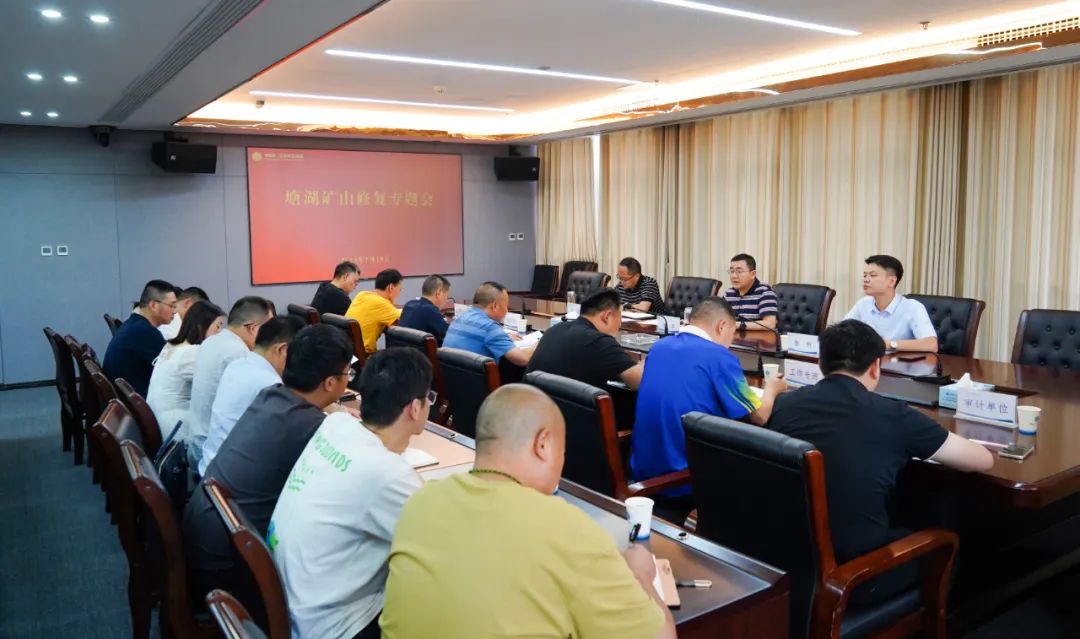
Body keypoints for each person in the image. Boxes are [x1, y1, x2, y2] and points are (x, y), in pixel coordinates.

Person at [380, 384, 676, 639]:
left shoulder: (420, 501)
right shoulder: (564, 527)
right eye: (562, 452)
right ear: (542, 444)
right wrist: (641, 576)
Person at [767, 319, 992, 602]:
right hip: (855, 577)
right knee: (943, 542)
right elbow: (982, 461)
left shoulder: (783, 405)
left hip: (786, 560)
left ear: (820, 363)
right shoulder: (894, 415)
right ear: (876, 366)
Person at [183, 324, 354, 622]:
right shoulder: (311, 428)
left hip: (204, 538)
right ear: (330, 383)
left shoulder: (270, 396)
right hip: (228, 568)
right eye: (347, 374)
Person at [269, 348, 432, 639]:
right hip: (333, 627)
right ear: (415, 408)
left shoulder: (336, 425)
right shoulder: (389, 475)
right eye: (428, 398)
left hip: (292, 603)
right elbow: (441, 548)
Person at [630, 297, 787, 515]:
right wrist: (772, 389)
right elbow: (759, 416)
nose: (730, 342)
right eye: (732, 334)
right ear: (721, 326)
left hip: (643, 471)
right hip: (684, 480)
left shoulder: (659, 347)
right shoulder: (718, 356)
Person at [198, 316, 305, 476]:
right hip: (229, 477)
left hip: (211, 467)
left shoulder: (238, 365)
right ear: (282, 350)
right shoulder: (269, 383)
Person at [188, 296, 275, 467]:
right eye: (269, 330)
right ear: (253, 328)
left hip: (197, 440)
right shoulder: (238, 353)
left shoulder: (212, 341)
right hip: (212, 451)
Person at [527, 288, 644, 390]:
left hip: (532, 405)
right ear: (607, 316)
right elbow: (640, 382)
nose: (620, 324)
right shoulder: (600, 342)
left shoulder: (554, 329)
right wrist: (644, 365)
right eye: (620, 317)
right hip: (566, 409)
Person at [146, 301, 226, 441]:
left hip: (162, 422)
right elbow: (222, 381)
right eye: (218, 326)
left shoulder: (172, 345)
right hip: (177, 430)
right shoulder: (191, 353)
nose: (220, 333)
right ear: (201, 326)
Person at [844, 255, 938, 352]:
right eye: (865, 275)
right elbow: (842, 332)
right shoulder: (863, 304)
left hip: (898, 360)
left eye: (872, 275)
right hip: (868, 359)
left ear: (891, 281)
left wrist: (887, 345)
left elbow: (931, 345)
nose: (866, 279)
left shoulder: (913, 307)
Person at [103, 279, 176, 396]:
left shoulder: (133, 325)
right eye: (172, 305)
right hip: (134, 401)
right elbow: (173, 371)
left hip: (123, 398)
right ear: (153, 305)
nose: (175, 311)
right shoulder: (145, 332)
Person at [443, 281, 536, 367]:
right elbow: (523, 359)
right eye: (506, 306)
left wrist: (502, 336)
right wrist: (539, 344)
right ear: (495, 306)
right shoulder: (490, 328)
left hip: (450, 377)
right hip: (477, 379)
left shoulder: (460, 318)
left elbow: (480, 336)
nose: (507, 310)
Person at [346, 268, 403, 353]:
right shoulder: (383, 304)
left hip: (347, 350)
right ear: (391, 287)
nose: (399, 292)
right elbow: (404, 318)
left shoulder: (362, 294)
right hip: (363, 355)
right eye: (400, 289)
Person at [723, 253, 778, 331]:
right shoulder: (728, 294)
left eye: (739, 271)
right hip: (733, 337)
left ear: (753, 274)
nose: (734, 276)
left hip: (758, 338)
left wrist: (739, 325)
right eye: (732, 271)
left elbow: (770, 324)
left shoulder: (765, 292)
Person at [398, 274, 451, 343]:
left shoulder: (409, 305)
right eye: (447, 297)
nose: (446, 301)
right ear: (438, 293)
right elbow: (450, 334)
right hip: (420, 350)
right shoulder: (431, 311)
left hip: (401, 348)